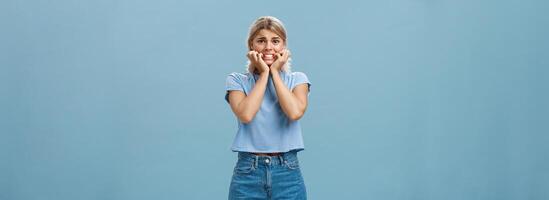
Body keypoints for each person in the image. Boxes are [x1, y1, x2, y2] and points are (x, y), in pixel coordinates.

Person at [225, 16, 311, 200]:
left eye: (275, 41)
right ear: (251, 45)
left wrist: (274, 73)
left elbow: (295, 112)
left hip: (287, 171)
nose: (269, 47)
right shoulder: (237, 80)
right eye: (261, 41)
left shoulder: (297, 79)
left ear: (284, 46)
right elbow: (246, 115)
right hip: (248, 172)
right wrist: (264, 73)